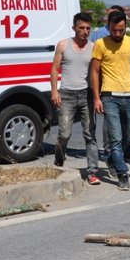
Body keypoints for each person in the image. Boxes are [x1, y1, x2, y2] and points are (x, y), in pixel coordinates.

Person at [91, 10, 130, 191]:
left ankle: (112, 159)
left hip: (128, 96)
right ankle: (122, 173)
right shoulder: (100, 44)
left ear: (125, 27)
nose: (118, 34)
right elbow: (94, 71)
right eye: (114, 30)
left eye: (121, 30)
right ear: (108, 27)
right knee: (115, 138)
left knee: (127, 138)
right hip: (109, 97)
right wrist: (96, 98)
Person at [50, 11, 101, 185]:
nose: (85, 31)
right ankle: (59, 163)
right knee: (64, 133)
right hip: (67, 95)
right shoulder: (64, 45)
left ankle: (93, 171)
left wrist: (97, 96)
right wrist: (54, 91)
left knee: (90, 134)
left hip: (86, 94)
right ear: (74, 28)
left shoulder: (94, 47)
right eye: (81, 28)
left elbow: (97, 72)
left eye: (88, 28)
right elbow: (55, 69)